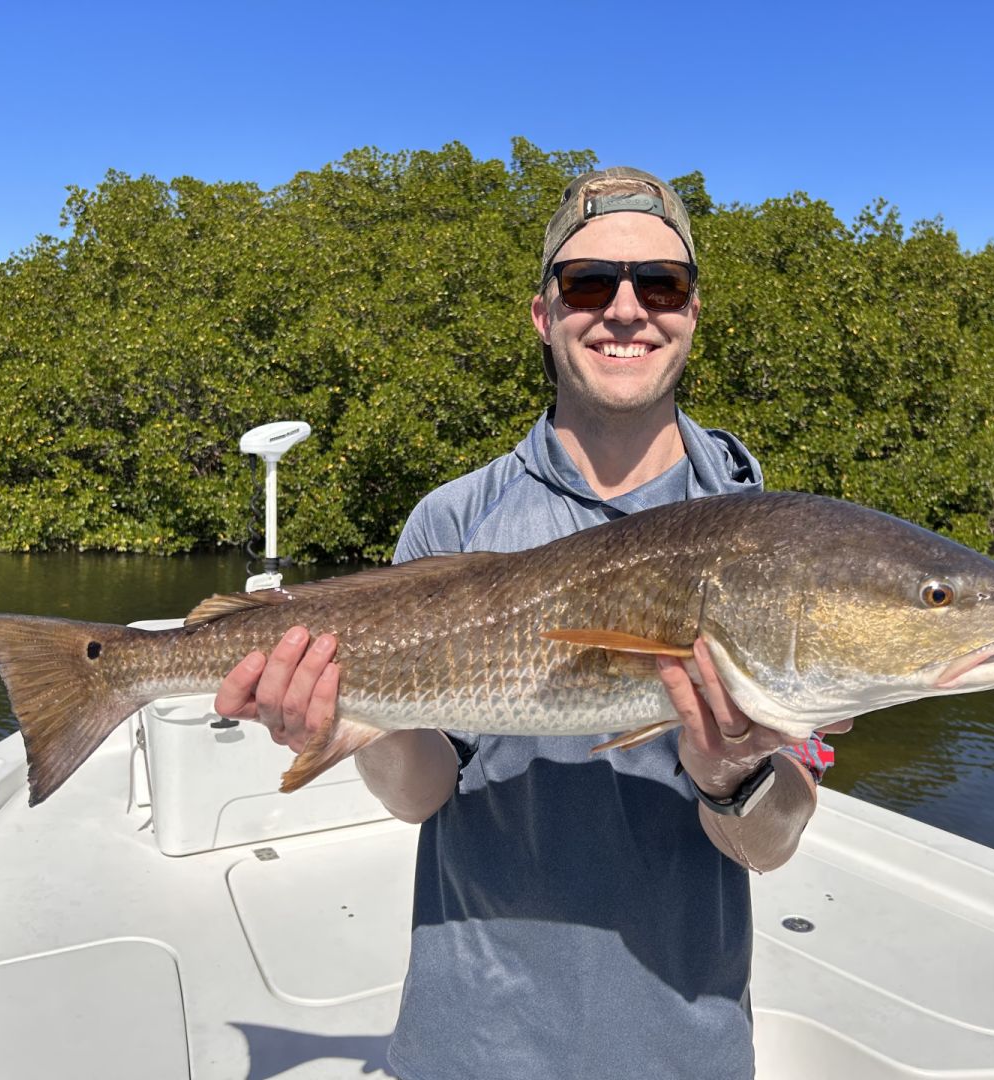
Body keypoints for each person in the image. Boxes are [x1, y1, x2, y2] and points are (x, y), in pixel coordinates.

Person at [215, 167, 836, 1080]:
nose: (626, 309)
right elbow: (421, 796)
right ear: (544, 314)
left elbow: (768, 846)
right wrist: (347, 718)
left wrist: (730, 772)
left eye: (660, 283)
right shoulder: (454, 520)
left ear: (693, 314)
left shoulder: (766, 537)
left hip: (683, 1049)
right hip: (471, 1043)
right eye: (589, 283)